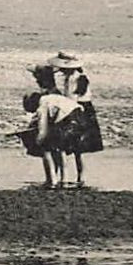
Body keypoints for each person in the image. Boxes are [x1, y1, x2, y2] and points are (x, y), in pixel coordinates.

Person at [52, 51, 102, 187]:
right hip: (82, 109)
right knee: (79, 149)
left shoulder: (76, 79)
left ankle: (71, 176)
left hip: (78, 110)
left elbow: (72, 97)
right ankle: (80, 176)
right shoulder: (77, 77)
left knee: (74, 146)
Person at [20, 62, 74, 188]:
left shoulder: (46, 94)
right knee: (59, 150)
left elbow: (43, 121)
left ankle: (52, 179)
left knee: (47, 149)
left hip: (59, 121)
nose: (35, 78)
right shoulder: (53, 91)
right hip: (70, 118)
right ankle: (63, 178)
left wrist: (38, 138)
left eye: (36, 76)